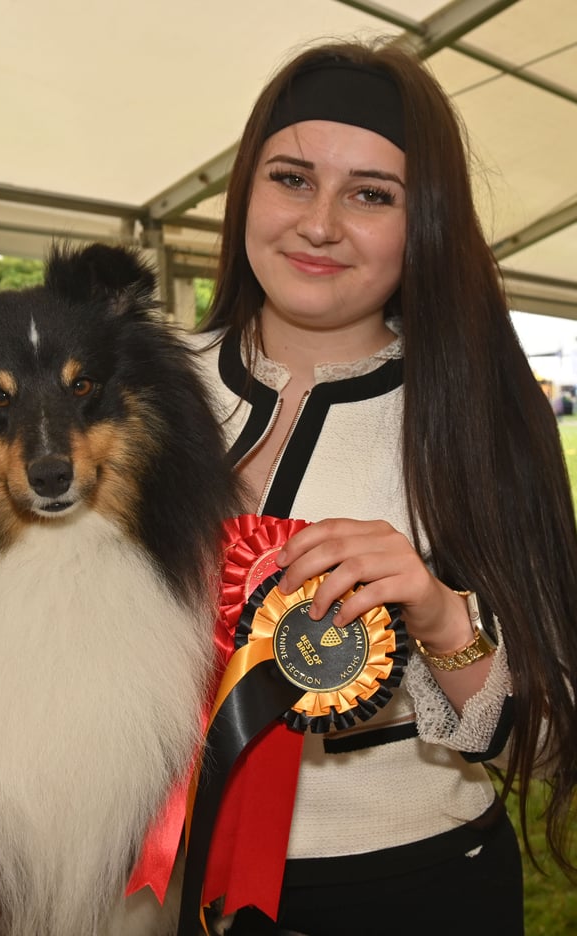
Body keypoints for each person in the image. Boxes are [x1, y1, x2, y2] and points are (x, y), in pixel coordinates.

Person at [185, 38, 577, 936]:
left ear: (424, 220)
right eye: (291, 178)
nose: (319, 224)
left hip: (414, 892)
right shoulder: (136, 388)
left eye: (371, 194)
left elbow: (554, 742)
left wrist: (442, 621)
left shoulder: (480, 411)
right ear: (244, 192)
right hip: (149, 887)